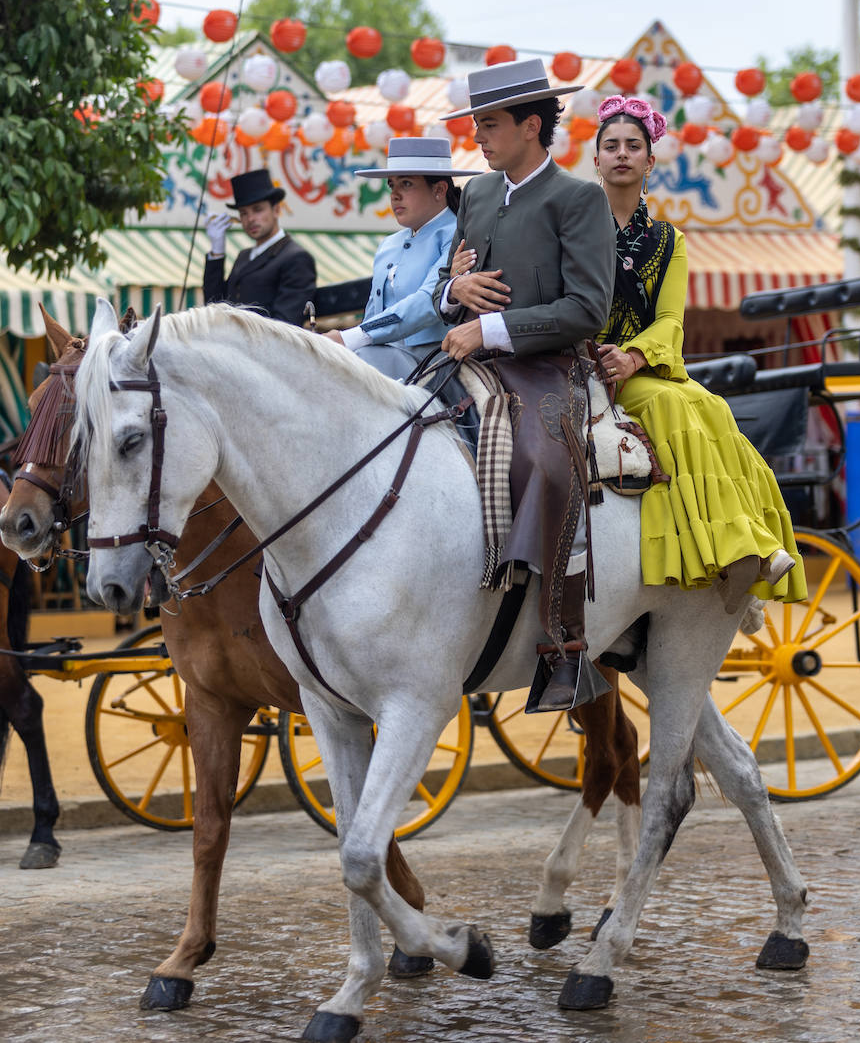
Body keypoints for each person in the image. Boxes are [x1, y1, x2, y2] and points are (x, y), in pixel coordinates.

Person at [434, 57, 617, 712]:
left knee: (545, 461)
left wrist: (493, 329)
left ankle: (564, 648)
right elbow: (447, 289)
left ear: (531, 126)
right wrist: (453, 291)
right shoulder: (476, 195)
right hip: (461, 356)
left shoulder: (579, 198)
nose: (478, 138)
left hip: (548, 368)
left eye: (489, 125)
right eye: (477, 125)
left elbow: (588, 308)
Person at [592, 94, 806, 604]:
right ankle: (723, 542)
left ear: (650, 159)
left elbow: (669, 319)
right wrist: (603, 356)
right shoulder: (574, 227)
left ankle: (747, 539)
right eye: (611, 145)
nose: (622, 154)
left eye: (633, 145)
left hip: (641, 365)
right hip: (584, 362)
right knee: (670, 404)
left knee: (710, 404)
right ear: (595, 159)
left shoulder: (669, 241)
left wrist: (635, 358)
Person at [322, 137, 481, 376]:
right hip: (380, 358)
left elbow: (428, 300)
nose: (394, 195)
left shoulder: (459, 236)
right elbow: (373, 313)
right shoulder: (389, 244)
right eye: (391, 185)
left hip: (436, 364)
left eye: (406, 184)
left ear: (439, 189)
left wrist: (350, 337)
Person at [203, 168, 316, 325]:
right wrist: (217, 253)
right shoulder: (244, 256)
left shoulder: (295, 258)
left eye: (257, 210)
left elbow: (285, 325)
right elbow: (214, 307)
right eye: (243, 213)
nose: (250, 219)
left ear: (276, 210)